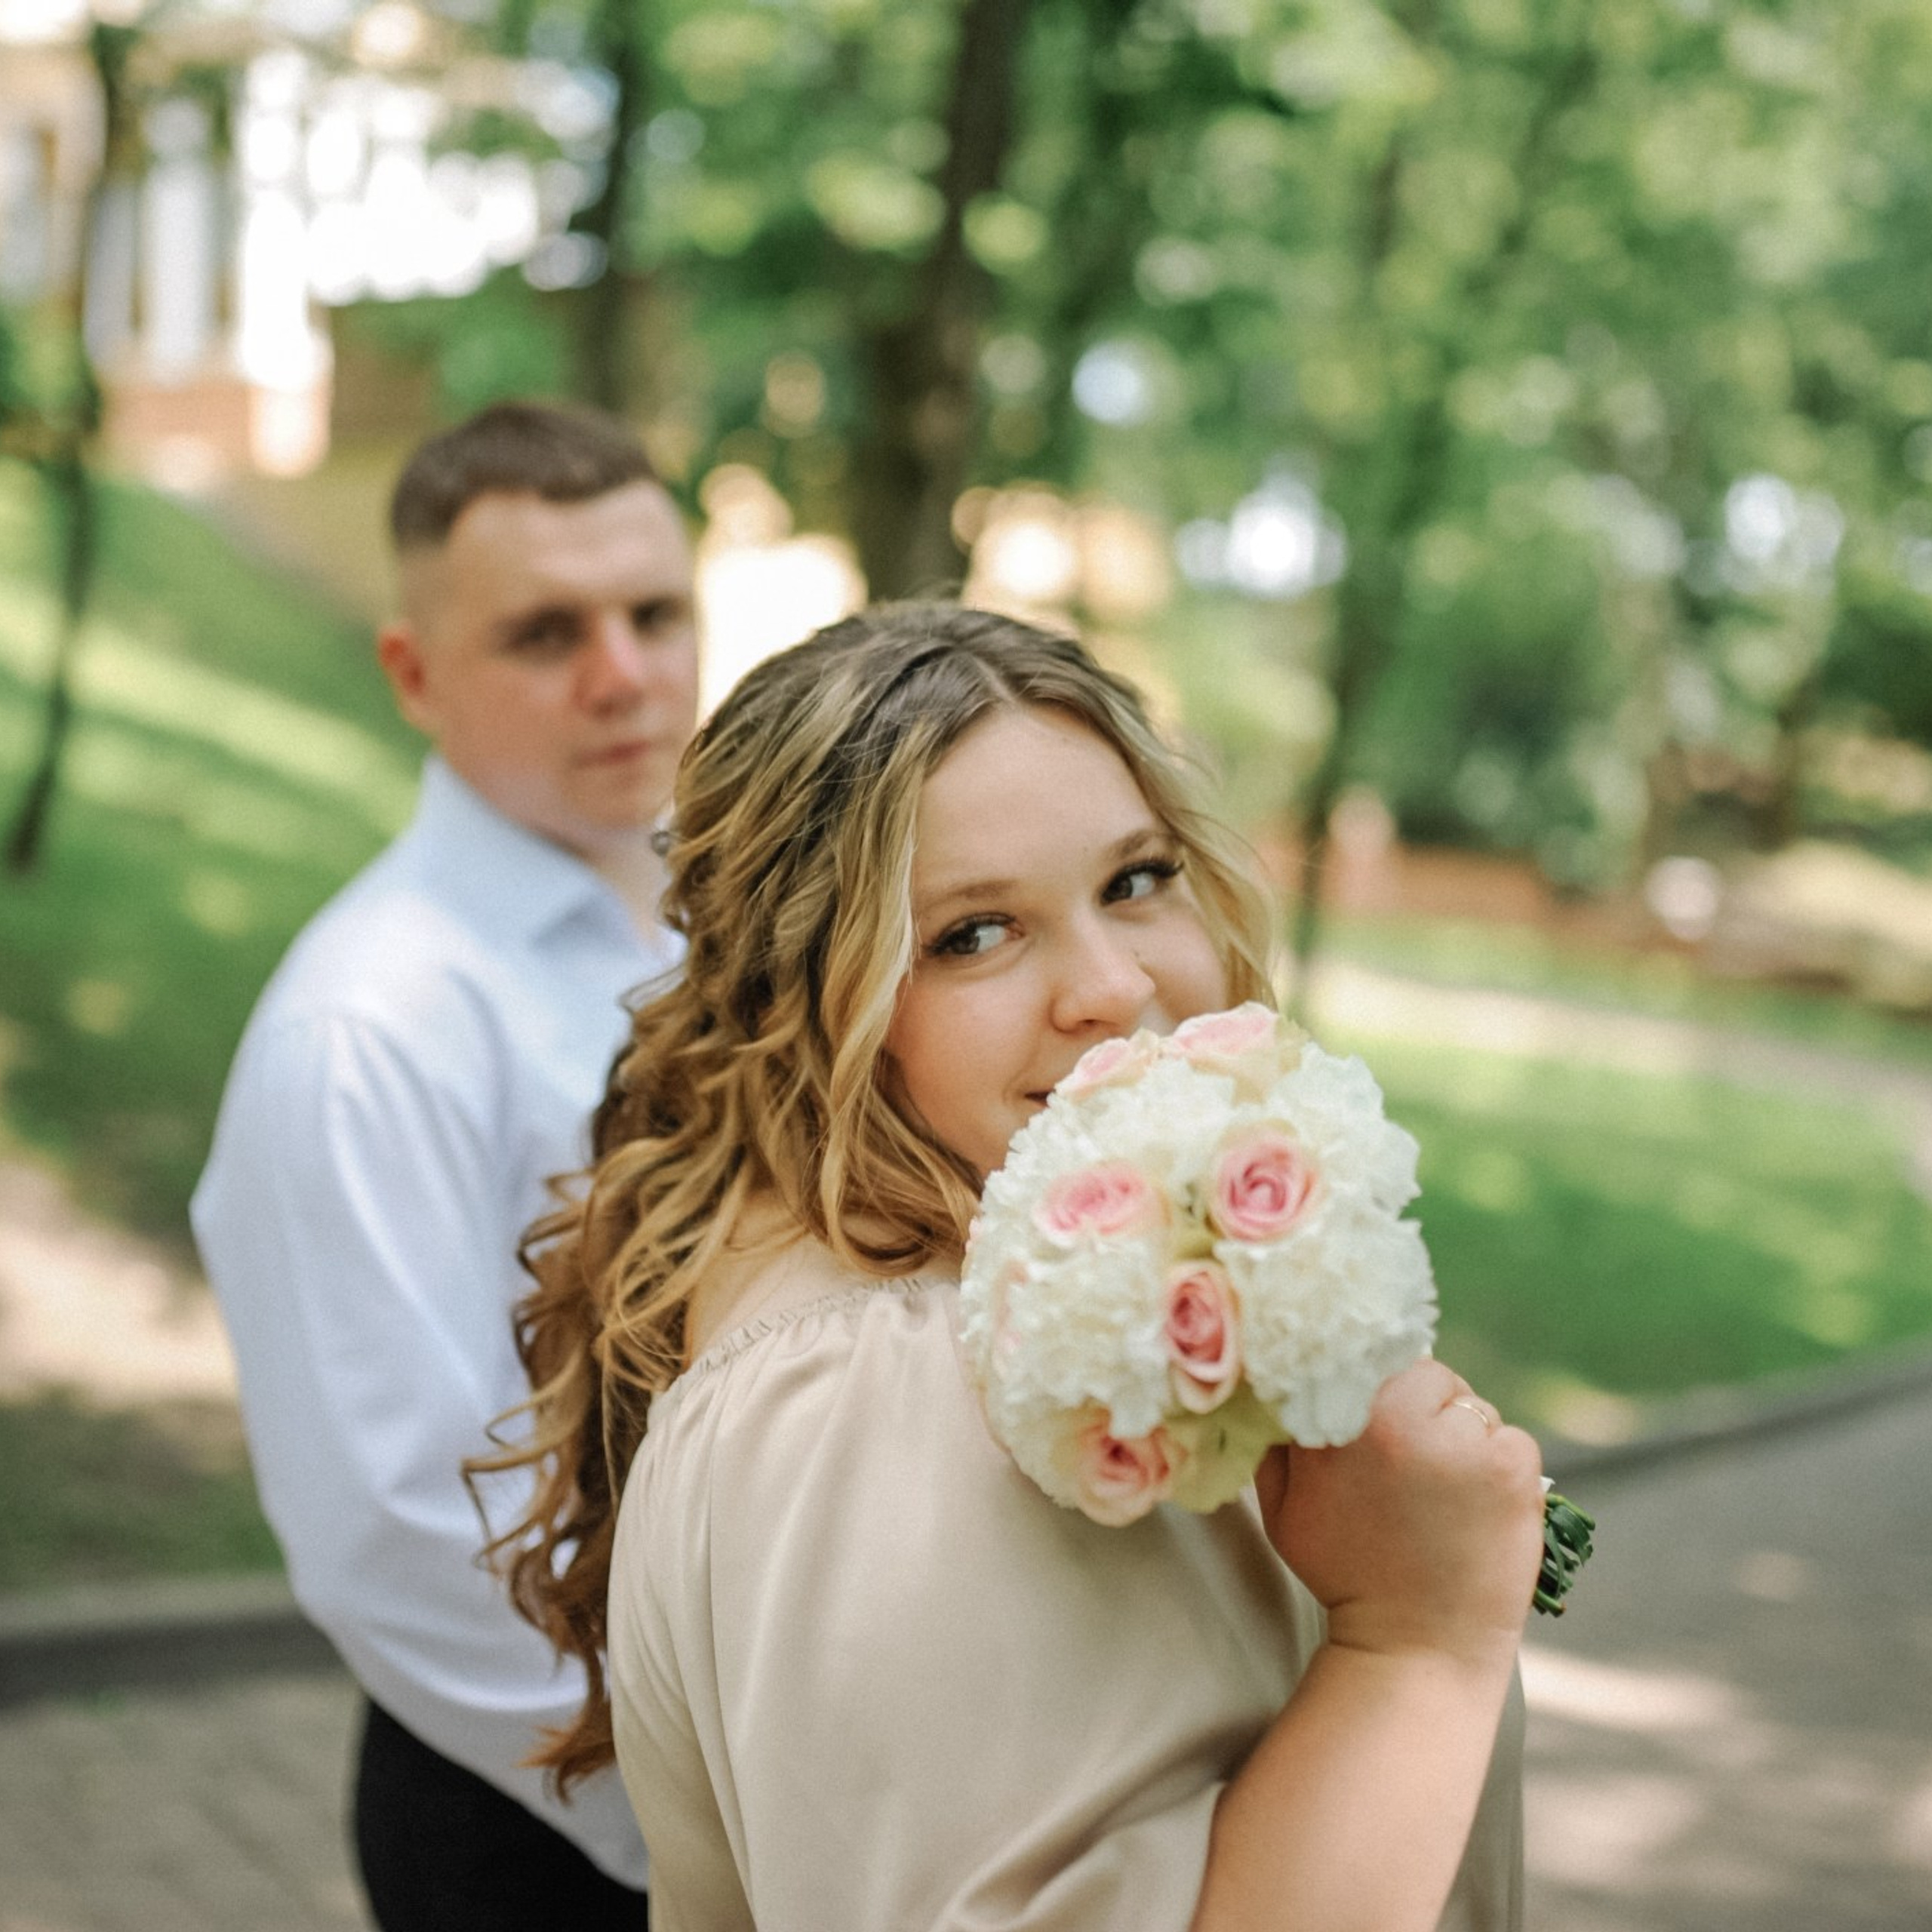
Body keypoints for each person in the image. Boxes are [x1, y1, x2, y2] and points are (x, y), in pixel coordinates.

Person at [484, 605, 1544, 1931]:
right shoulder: (878, 1392)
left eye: (1136, 880)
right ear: (803, 1003)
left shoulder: (1051, 1282)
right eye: (972, 934)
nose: (1112, 985)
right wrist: (1419, 1641)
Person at [192, 400, 701, 1927]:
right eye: (546, 633)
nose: (622, 674)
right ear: (412, 673)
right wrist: (697, 1831)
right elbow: (399, 1535)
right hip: (550, 1821)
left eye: (654, 613)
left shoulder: (725, 918)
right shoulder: (366, 1027)